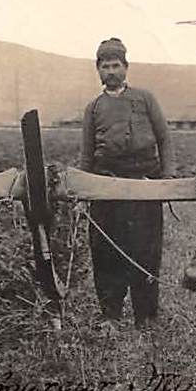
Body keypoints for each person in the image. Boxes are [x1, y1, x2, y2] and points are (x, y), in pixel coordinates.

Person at [80, 37, 175, 331]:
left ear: (126, 67)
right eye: (105, 66)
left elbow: (165, 139)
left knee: (145, 250)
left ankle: (146, 317)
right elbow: (86, 153)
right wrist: (86, 189)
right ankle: (111, 315)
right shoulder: (93, 108)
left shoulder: (145, 99)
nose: (111, 71)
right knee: (106, 251)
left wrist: (166, 180)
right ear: (98, 71)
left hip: (145, 184)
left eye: (116, 65)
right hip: (106, 188)